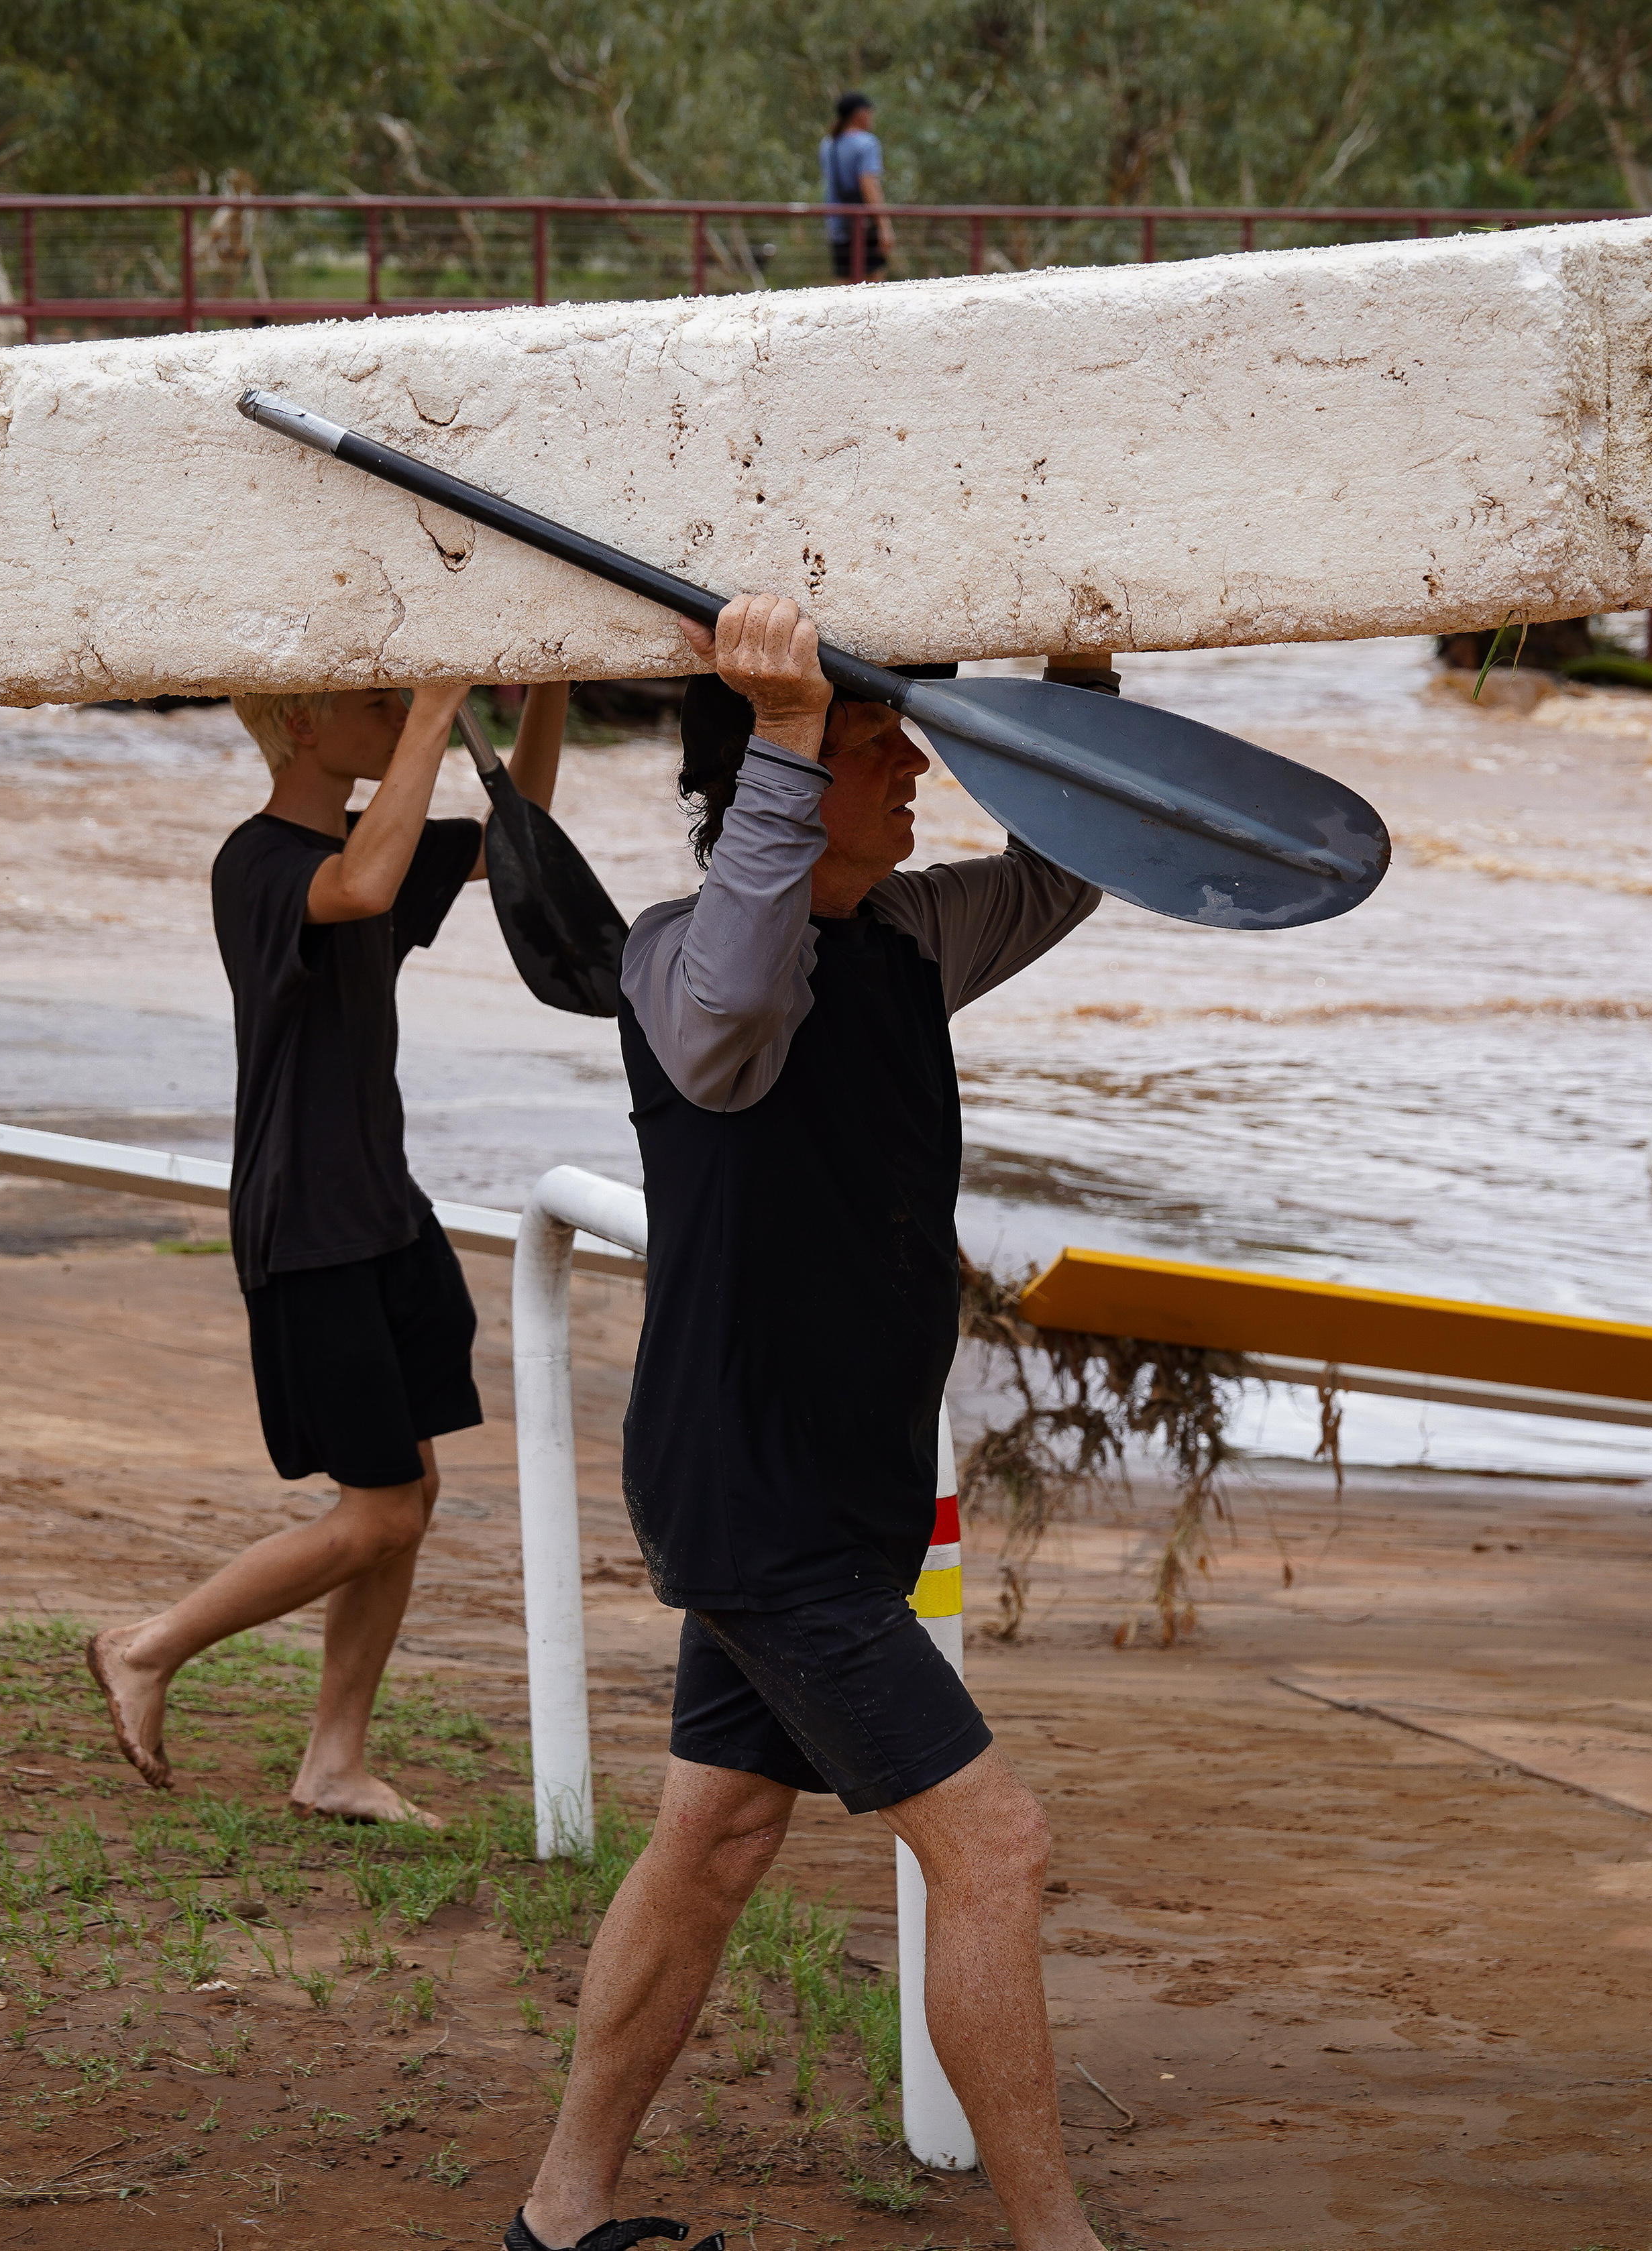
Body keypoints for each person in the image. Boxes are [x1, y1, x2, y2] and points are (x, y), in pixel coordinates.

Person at [510, 600, 1102, 2251]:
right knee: (992, 1845)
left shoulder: (914, 938)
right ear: (772, 771)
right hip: (755, 1498)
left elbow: (1067, 869)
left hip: (841, 1491)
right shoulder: (674, 960)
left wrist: (1084, 681)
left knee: (711, 1836)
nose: (912, 762)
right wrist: (784, 730)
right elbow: (728, 1013)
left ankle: (558, 2220)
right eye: (874, 745)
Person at [85, 681, 568, 1825]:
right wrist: (434, 707)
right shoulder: (256, 865)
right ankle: (147, 1648)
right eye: (374, 701)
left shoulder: (376, 846)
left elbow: (518, 841)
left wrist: (546, 686)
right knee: (381, 1514)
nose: (400, 714)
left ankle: (334, 1763)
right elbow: (352, 888)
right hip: (308, 1224)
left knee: (413, 1490)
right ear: (300, 726)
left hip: (388, 1210)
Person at [822, 91, 893, 282]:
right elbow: (869, 185)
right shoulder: (867, 144)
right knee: (873, 290)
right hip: (864, 227)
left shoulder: (829, 144)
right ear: (860, 114)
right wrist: (884, 226)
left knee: (845, 288)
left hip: (838, 226)